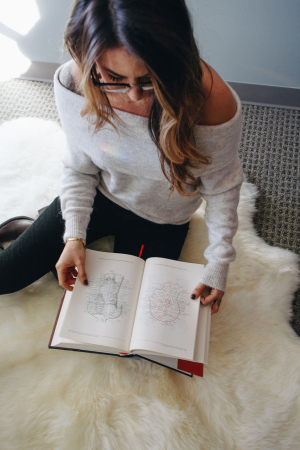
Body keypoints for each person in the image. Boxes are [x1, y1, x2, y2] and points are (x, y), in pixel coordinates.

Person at [0, 0, 244, 315]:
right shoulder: (73, 82)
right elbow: (79, 166)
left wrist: (218, 262)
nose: (135, 96)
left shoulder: (212, 101)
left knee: (129, 310)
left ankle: (38, 229)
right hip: (102, 195)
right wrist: (74, 233)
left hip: (163, 219)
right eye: (113, 78)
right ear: (86, 57)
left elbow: (222, 188)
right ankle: (34, 227)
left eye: (149, 79)